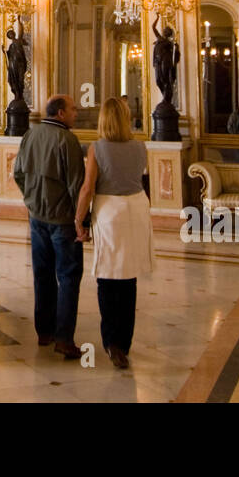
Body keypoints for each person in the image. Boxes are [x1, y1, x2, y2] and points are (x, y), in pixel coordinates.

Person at [74, 97, 152, 369]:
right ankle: (124, 342)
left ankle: (112, 343)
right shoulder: (141, 145)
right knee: (128, 277)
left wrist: (78, 219)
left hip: (111, 212)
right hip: (137, 207)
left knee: (107, 277)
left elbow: (88, 188)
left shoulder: (97, 148)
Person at [13, 94, 85, 358]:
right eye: (73, 108)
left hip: (36, 217)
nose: (76, 113)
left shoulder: (30, 136)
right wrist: (82, 221)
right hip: (63, 220)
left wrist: (30, 199)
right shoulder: (68, 140)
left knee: (42, 274)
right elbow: (76, 185)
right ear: (61, 114)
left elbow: (18, 173)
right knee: (67, 277)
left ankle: (44, 332)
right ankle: (64, 339)